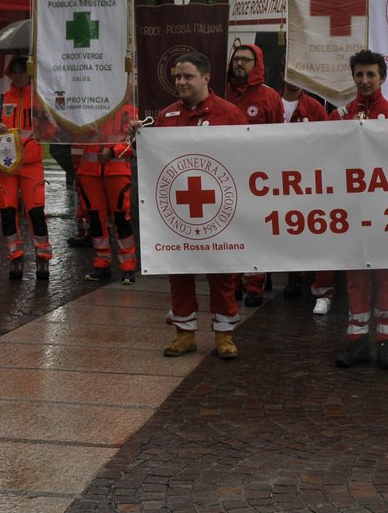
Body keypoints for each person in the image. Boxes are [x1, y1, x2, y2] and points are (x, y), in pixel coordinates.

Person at [147, 51, 248, 360]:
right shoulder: (165, 117)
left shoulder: (230, 114)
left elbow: (248, 158)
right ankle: (184, 334)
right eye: (177, 76)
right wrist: (139, 139)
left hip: (220, 210)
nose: (180, 82)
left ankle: (224, 335)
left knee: (222, 272)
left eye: (187, 76)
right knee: (179, 271)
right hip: (179, 212)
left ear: (206, 78)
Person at [333, 51, 388, 369]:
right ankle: (357, 342)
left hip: (385, 211)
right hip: (352, 211)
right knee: (355, 279)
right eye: (359, 75)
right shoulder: (338, 117)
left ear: (383, 78)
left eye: (371, 75)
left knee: (386, 277)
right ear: (353, 77)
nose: (364, 81)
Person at [0, 55, 55, 281]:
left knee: (36, 213)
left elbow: (52, 132)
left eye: (23, 70)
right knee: (7, 213)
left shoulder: (40, 100)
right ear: (10, 73)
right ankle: (15, 258)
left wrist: (45, 120)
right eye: (15, 70)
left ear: (30, 72)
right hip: (4, 166)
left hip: (32, 165)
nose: (19, 74)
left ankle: (43, 259)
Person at [223, 43, 285, 306]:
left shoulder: (269, 97)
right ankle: (233, 282)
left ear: (257, 64)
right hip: (228, 177)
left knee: (256, 230)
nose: (240, 64)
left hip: (258, 179)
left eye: (246, 60)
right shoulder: (220, 93)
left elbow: (279, 137)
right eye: (236, 59)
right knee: (231, 230)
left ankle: (255, 284)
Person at [277, 81, 334, 306]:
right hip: (276, 175)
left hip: (308, 178)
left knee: (304, 227)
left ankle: (299, 279)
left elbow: (329, 140)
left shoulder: (315, 107)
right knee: (283, 228)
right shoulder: (271, 102)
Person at [75, 96, 138, 285]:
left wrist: (112, 152)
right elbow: (74, 139)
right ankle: (102, 263)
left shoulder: (129, 109)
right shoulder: (87, 106)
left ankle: (128, 266)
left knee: (121, 219)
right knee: (95, 219)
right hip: (89, 172)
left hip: (117, 171)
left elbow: (133, 140)